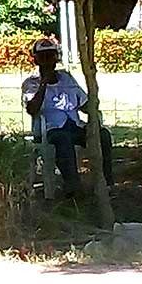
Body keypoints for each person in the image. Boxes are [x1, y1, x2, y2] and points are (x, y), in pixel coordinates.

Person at [22, 38, 114, 197]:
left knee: (103, 135)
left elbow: (84, 103)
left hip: (74, 125)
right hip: (50, 129)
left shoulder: (66, 78)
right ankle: (73, 187)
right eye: (43, 57)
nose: (47, 61)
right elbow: (32, 109)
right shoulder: (31, 83)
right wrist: (43, 83)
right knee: (63, 139)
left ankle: (106, 183)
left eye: (51, 56)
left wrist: (93, 105)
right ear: (35, 59)